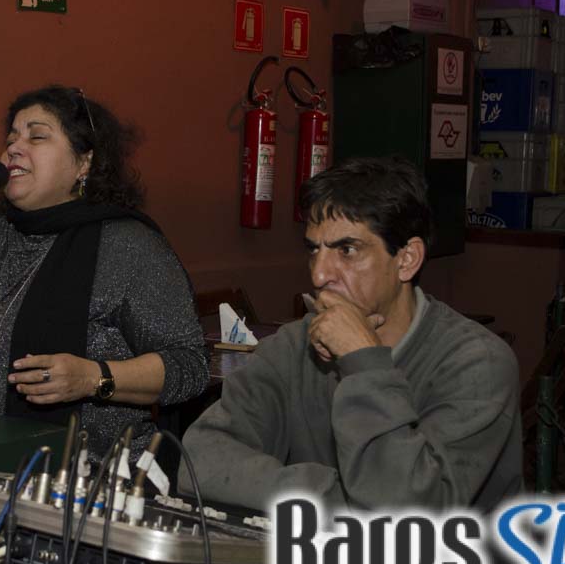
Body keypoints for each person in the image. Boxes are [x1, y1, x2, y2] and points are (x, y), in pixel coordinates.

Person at [0, 86, 209, 458]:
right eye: (11, 140)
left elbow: (189, 367)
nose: (14, 149)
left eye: (36, 137)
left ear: (84, 163)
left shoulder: (127, 245)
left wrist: (93, 377)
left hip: (89, 473)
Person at [180, 157, 522, 512]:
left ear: (407, 259)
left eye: (347, 250)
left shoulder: (478, 363)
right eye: (314, 250)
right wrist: (346, 499)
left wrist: (363, 360)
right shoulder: (292, 345)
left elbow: (409, 511)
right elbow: (201, 461)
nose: (319, 275)